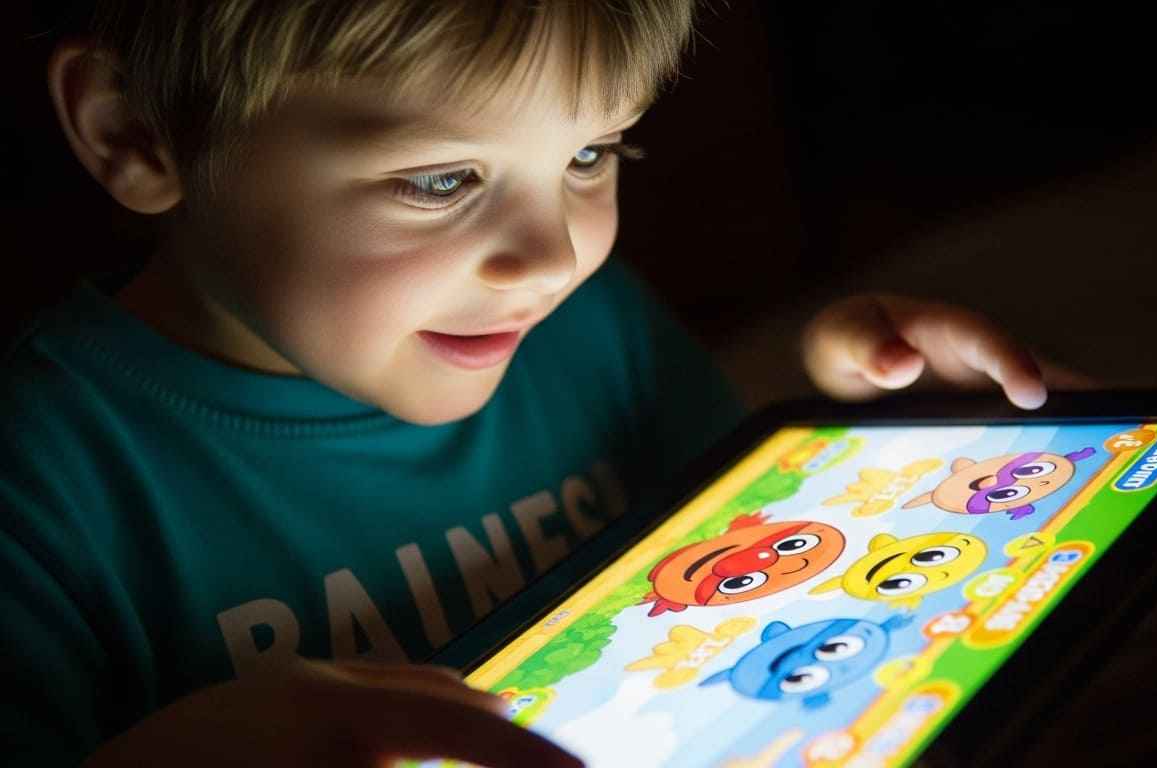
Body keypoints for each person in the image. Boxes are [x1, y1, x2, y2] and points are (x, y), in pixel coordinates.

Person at [3, 1, 1061, 765]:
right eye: (442, 179)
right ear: (133, 131)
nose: (551, 258)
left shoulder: (586, 331)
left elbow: (748, 578)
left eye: (591, 155)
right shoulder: (41, 482)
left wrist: (861, 435)